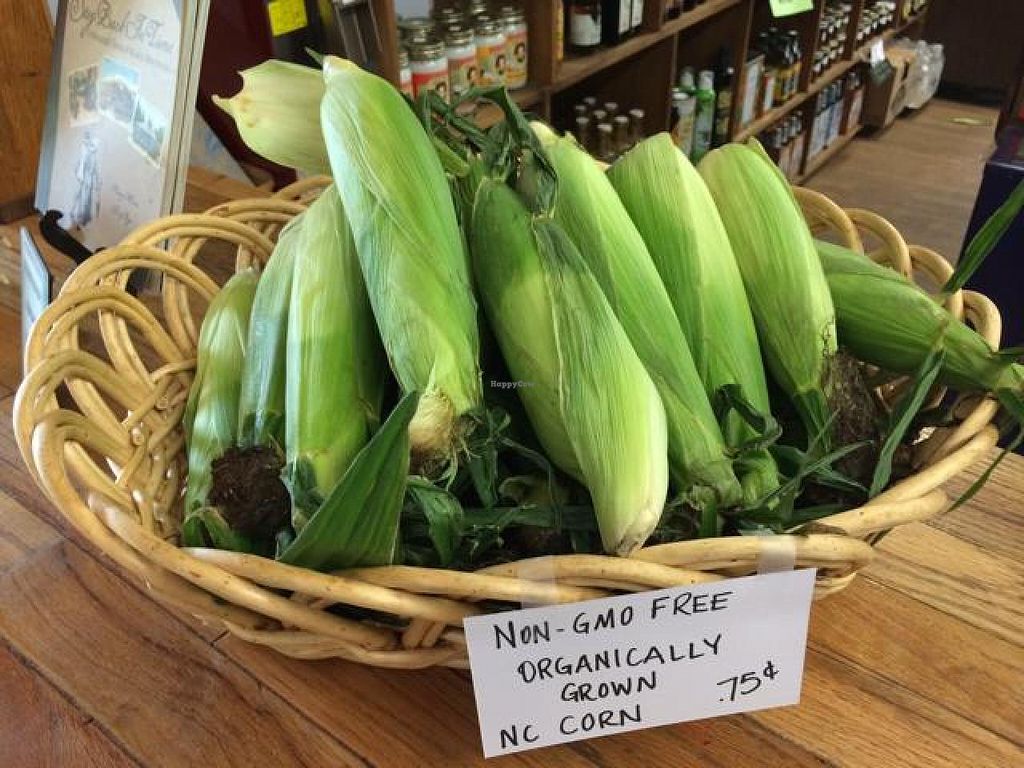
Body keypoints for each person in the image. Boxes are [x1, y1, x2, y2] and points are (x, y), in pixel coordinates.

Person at [70, 131, 101, 229]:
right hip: (84, 178)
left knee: (83, 198)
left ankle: (80, 217)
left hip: (86, 179)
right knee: (81, 197)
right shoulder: (87, 152)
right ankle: (79, 217)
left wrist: (96, 181)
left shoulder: (90, 154)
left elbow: (94, 169)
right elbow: (82, 164)